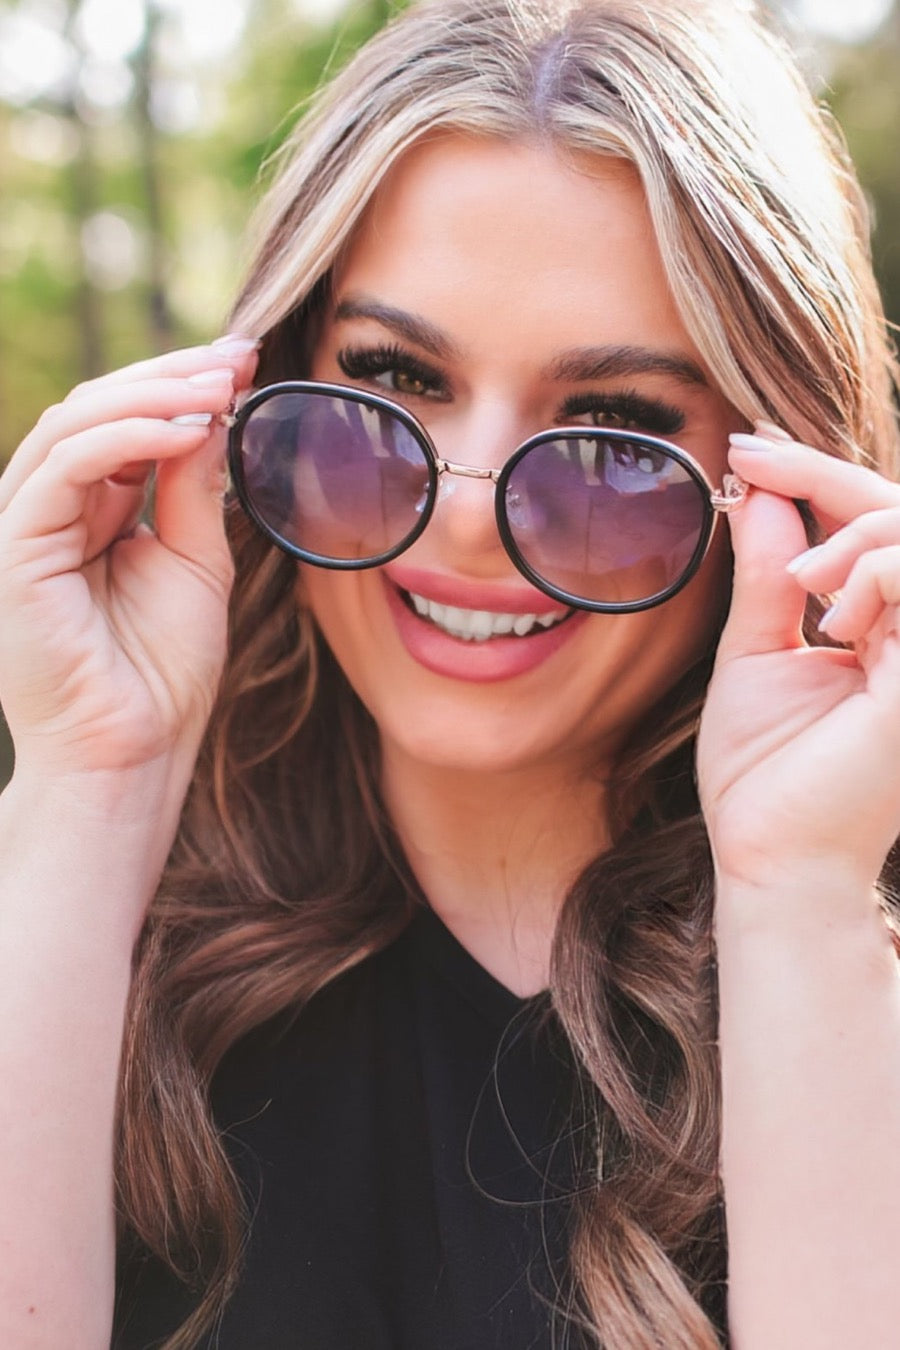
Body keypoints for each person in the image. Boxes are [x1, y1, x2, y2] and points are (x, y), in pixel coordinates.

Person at [2, 0, 900, 1345]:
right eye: (392, 377)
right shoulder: (79, 940)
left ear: (766, 483)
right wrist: (91, 784)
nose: (469, 516)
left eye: (613, 430)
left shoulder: (836, 953)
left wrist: (803, 905)